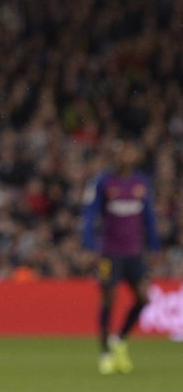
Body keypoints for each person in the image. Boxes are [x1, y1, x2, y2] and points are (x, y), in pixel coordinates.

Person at [82, 139, 160, 374]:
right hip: (110, 253)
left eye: (128, 153)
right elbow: (90, 216)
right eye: (120, 153)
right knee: (108, 298)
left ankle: (120, 339)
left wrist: (155, 248)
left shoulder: (141, 183)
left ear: (134, 157)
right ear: (114, 157)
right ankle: (105, 352)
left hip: (134, 253)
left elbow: (149, 219)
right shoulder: (104, 182)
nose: (124, 157)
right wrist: (90, 246)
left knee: (144, 299)